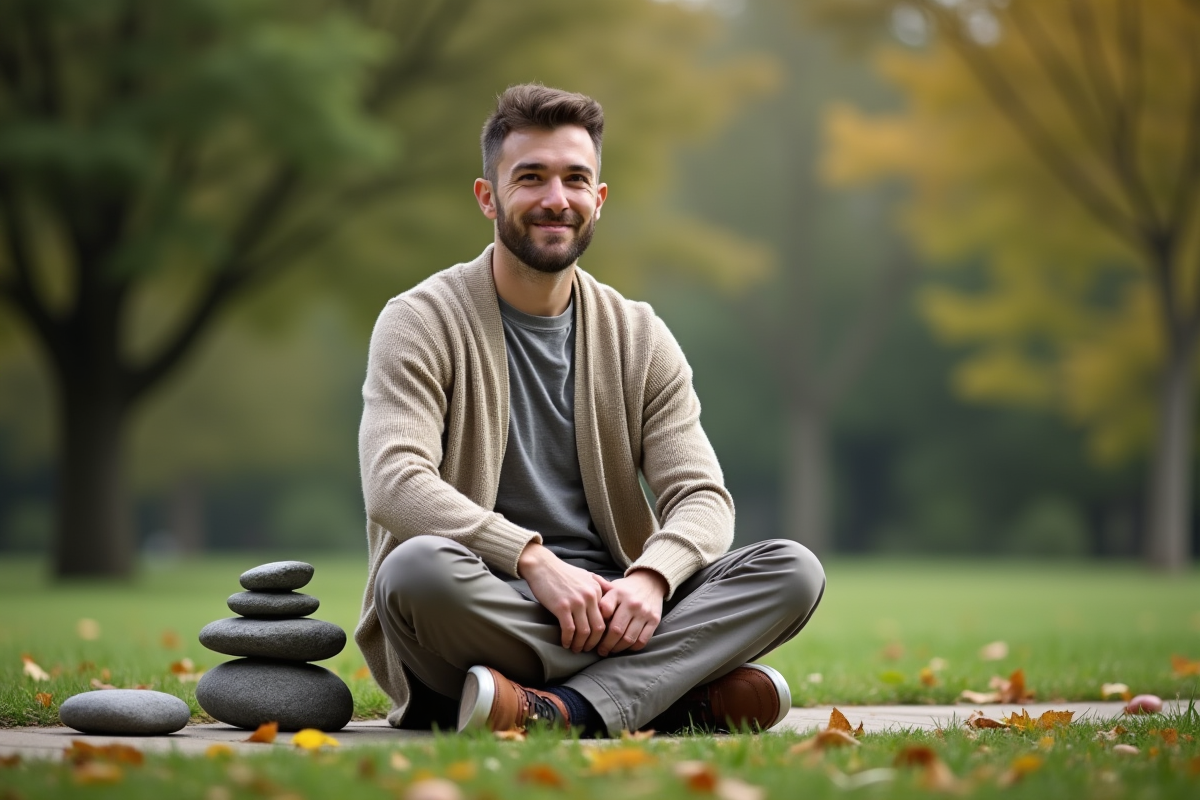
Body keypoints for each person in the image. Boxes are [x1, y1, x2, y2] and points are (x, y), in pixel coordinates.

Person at [355, 84, 825, 737]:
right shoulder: (420, 321)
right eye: (531, 178)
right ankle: (665, 693)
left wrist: (653, 581)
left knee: (793, 571)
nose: (557, 199)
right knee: (414, 572)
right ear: (488, 197)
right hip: (491, 600)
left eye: (577, 179)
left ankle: (557, 709)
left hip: (624, 605)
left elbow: (702, 497)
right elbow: (395, 484)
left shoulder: (639, 335)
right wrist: (533, 562)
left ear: (598, 201)